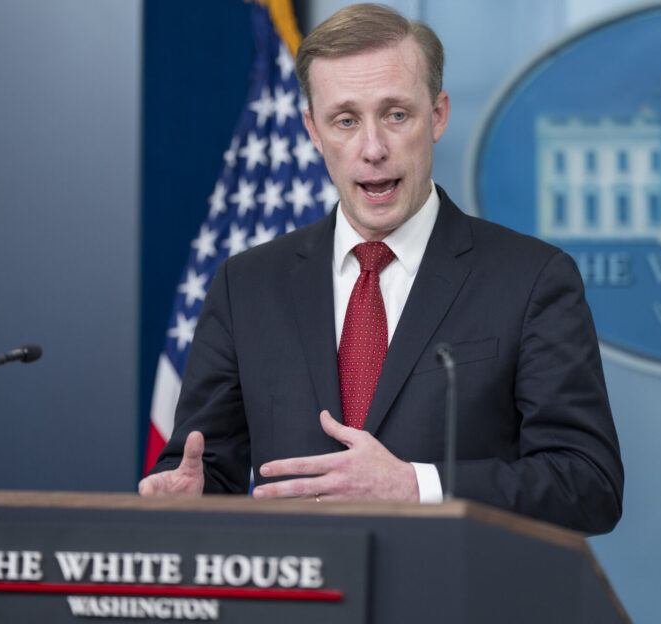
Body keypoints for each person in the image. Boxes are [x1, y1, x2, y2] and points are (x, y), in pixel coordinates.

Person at [140, 3, 624, 535]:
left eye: (396, 114)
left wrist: (415, 487)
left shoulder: (533, 280)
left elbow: (588, 483)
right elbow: (207, 465)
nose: (373, 149)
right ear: (313, 131)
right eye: (345, 120)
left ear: (437, 116)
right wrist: (189, 493)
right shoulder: (246, 286)